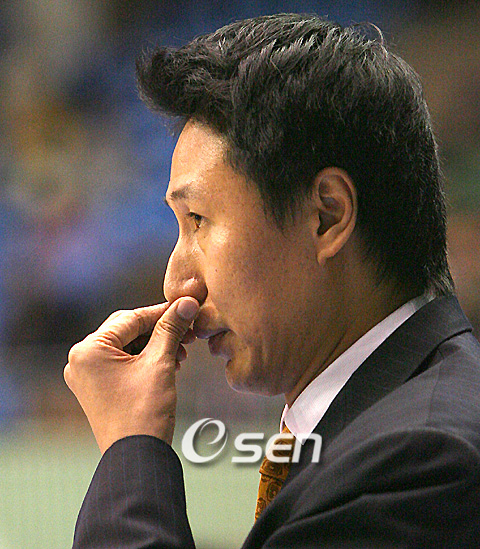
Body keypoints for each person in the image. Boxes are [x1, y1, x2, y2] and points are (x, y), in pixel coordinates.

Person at [64, 13, 480, 548]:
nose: (176, 283)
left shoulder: (422, 461)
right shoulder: (389, 429)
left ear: (326, 216)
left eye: (198, 220)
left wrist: (131, 450)